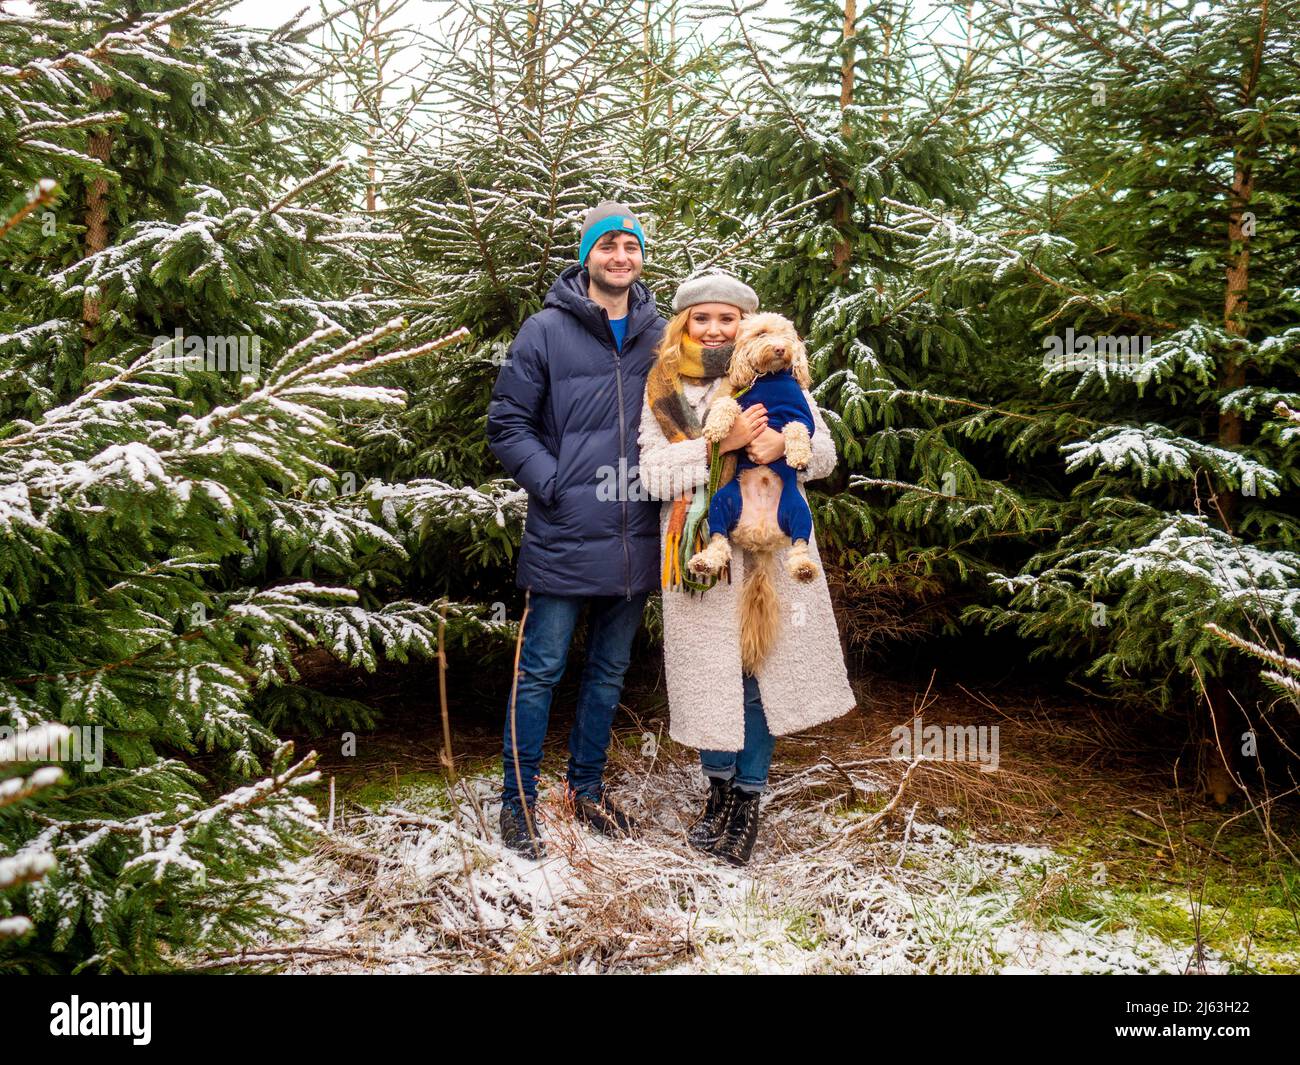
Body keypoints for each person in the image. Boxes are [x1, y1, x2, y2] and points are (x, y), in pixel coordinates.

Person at [637, 271, 856, 865]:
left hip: (776, 552)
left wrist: (777, 448)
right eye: (701, 318)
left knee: (762, 673)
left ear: (744, 327)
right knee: (714, 677)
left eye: (726, 319)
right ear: (684, 324)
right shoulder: (665, 389)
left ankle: (748, 800)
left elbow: (826, 455)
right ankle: (717, 794)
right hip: (700, 552)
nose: (714, 328)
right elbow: (652, 475)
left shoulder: (776, 378)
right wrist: (724, 444)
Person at [486, 202, 665, 858]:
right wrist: (555, 484)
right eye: (608, 245)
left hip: (637, 534)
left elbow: (691, 412)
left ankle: (585, 789)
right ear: (587, 255)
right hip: (565, 531)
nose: (621, 256)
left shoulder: (660, 333)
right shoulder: (545, 330)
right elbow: (506, 422)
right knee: (540, 668)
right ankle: (518, 802)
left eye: (631, 246)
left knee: (610, 668)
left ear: (641, 256)